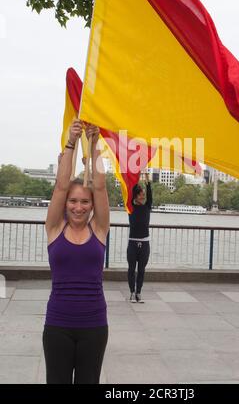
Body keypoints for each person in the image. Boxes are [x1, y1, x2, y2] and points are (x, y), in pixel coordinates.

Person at [43, 120, 109, 384]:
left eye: (84, 202)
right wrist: (71, 142)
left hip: (94, 325)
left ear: (92, 206)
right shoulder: (54, 228)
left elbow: (101, 185)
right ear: (65, 204)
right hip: (57, 324)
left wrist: (94, 145)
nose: (78, 207)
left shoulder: (100, 229)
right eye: (73, 201)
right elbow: (60, 185)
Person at [127, 173, 152, 303]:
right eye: (141, 194)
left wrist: (147, 179)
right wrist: (135, 177)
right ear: (136, 196)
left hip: (145, 244)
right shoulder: (131, 207)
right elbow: (131, 190)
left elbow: (150, 192)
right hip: (132, 243)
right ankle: (132, 292)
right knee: (131, 269)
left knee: (141, 270)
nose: (143, 196)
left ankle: (139, 293)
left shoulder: (147, 206)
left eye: (144, 194)